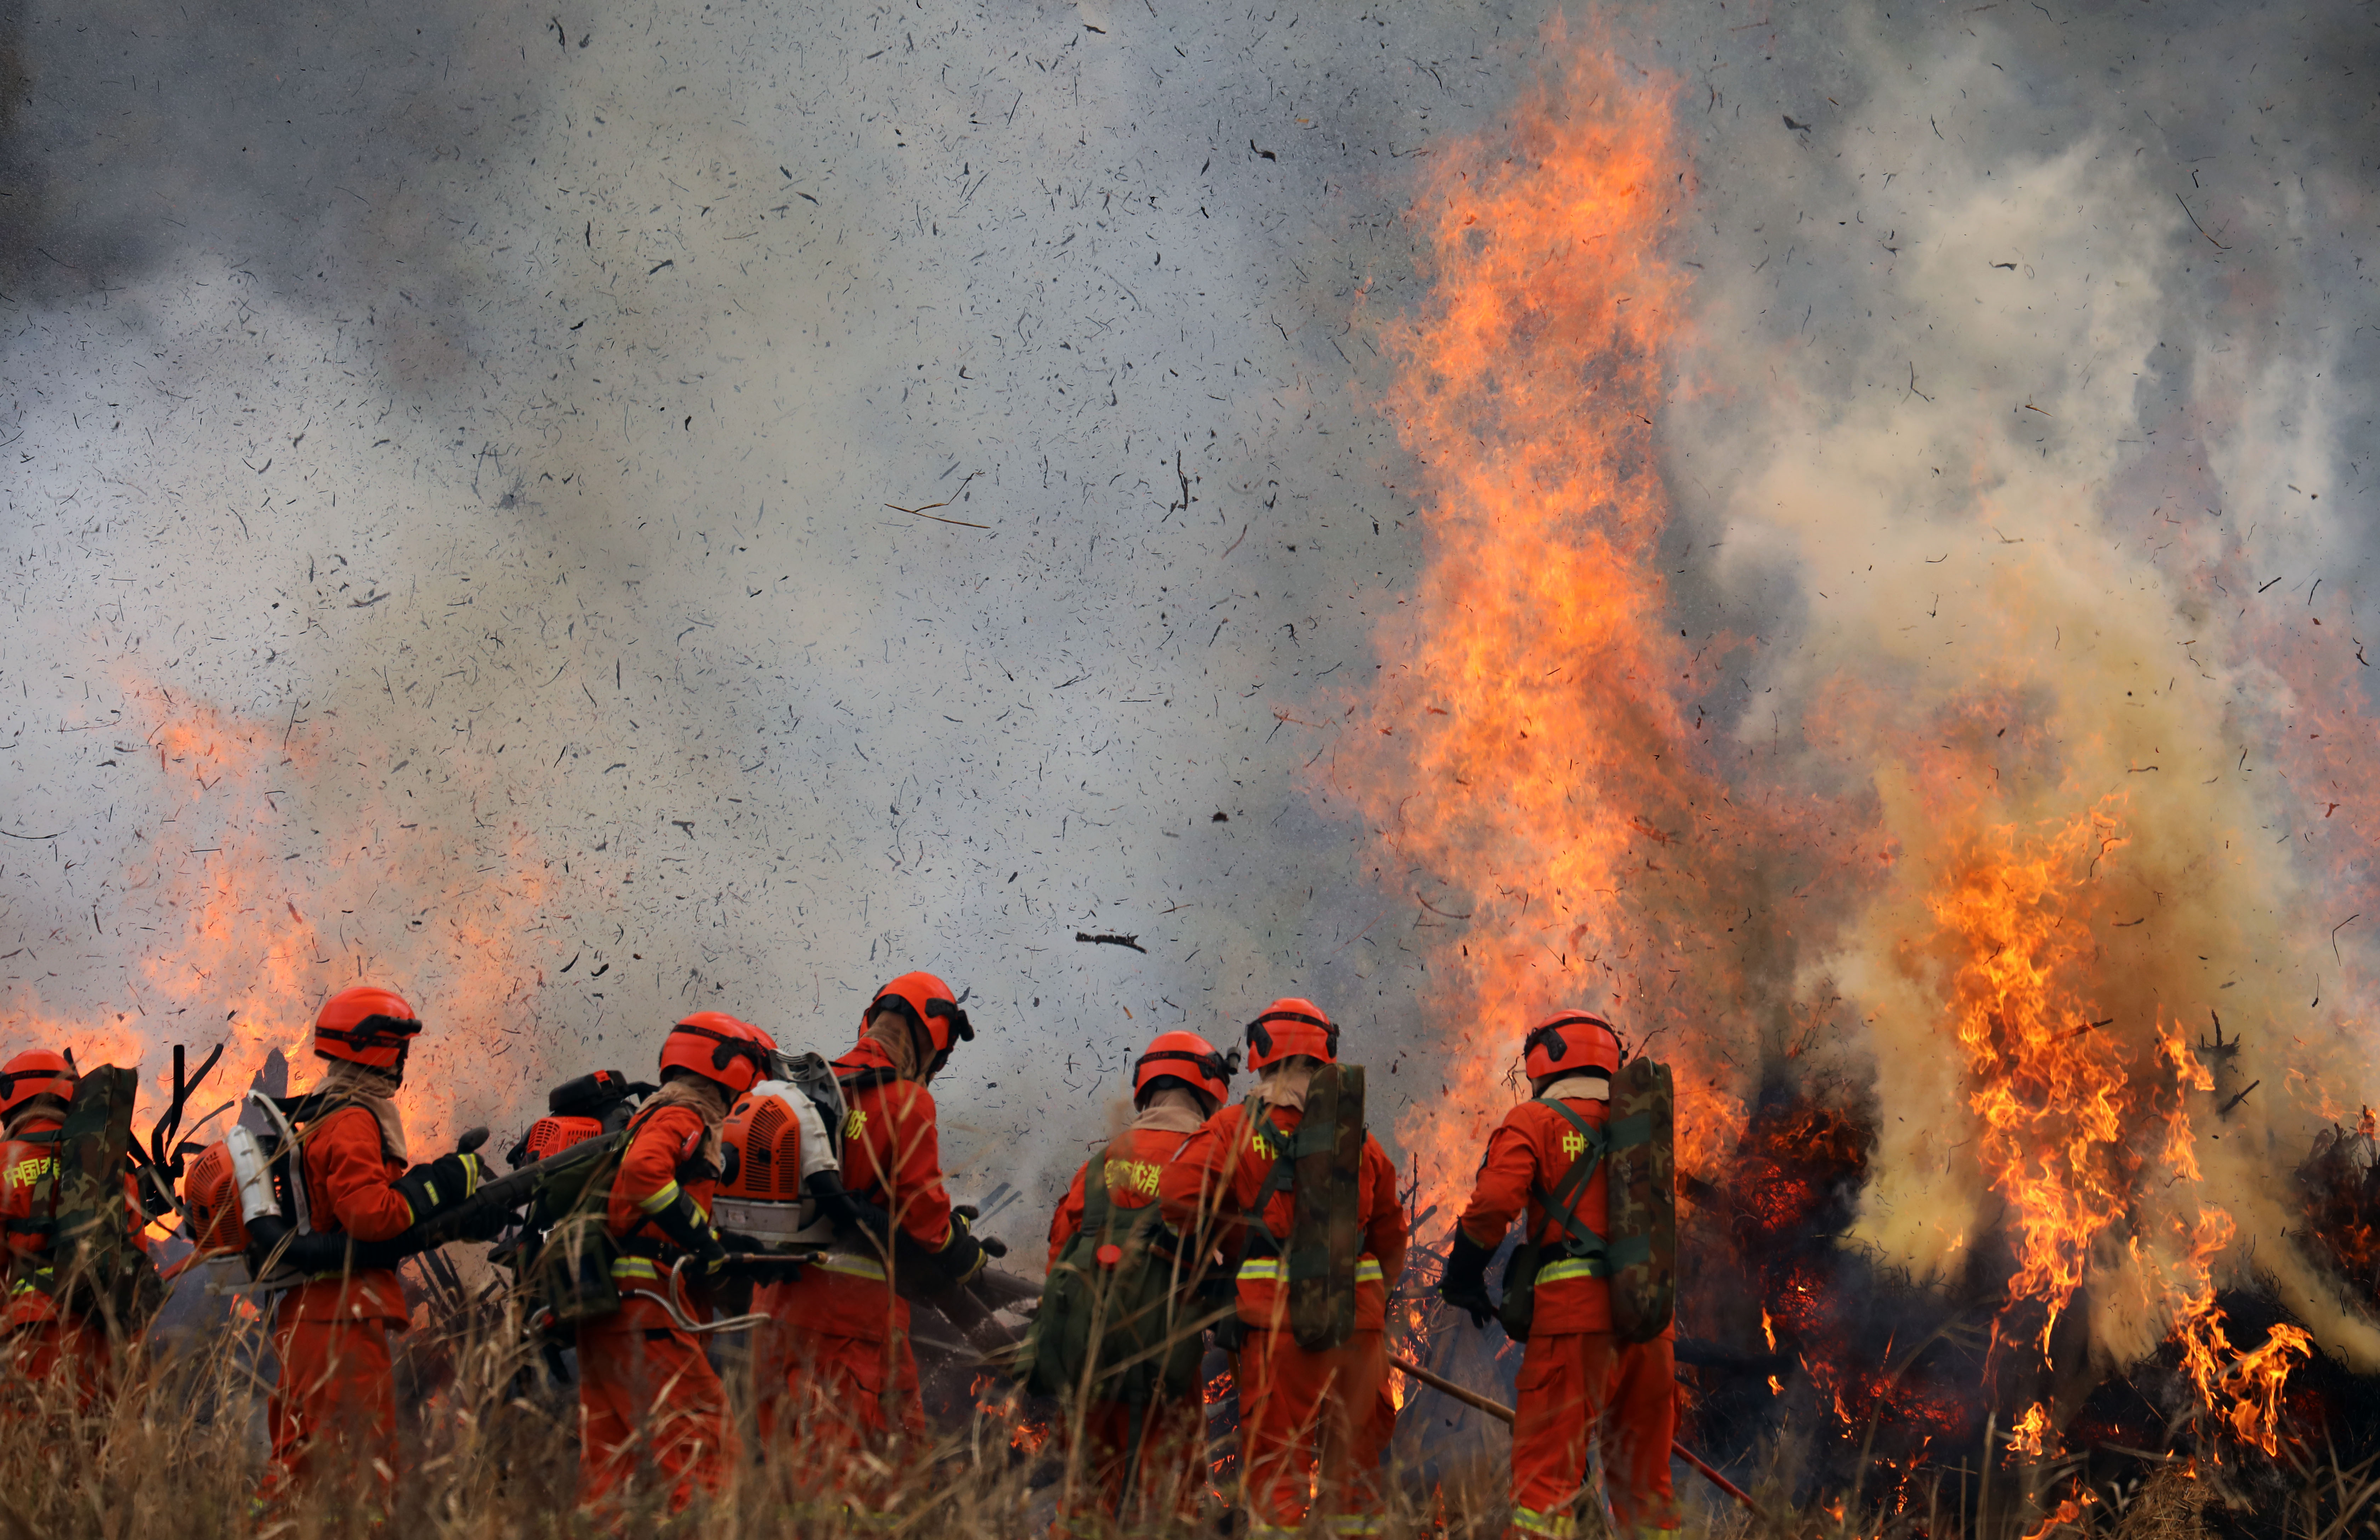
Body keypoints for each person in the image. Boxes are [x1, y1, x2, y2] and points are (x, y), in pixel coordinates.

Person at [1159, 998, 1406, 1539]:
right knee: (1356, 1486)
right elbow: (1392, 1237)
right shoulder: (1360, 1142)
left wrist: (1229, 1238)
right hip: (1357, 1333)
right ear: (1327, 1057)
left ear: (1260, 1056)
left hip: (1277, 1334)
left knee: (1279, 1486)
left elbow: (1176, 1199)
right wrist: (1366, 1304)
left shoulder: (1233, 1128)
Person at [1438, 1009, 1677, 1539]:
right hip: (1651, 1326)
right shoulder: (1641, 1128)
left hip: (1574, 1327)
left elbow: (1495, 1202)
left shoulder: (1535, 1121)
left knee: (1544, 1494)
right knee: (1648, 1498)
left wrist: (1463, 1275)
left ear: (1545, 1060)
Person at [755, 972, 994, 1484]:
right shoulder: (908, 1101)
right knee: (853, 1486)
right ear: (933, 1040)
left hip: (776, 1315)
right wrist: (965, 1253)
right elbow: (926, 1222)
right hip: (850, 1329)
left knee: (806, 1476)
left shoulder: (804, 1089)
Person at [265, 984, 483, 1503]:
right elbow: (369, 1216)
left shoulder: (321, 1113)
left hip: (312, 1315)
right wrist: (436, 1183)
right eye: (400, 1047)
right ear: (378, 1048)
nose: (403, 1060)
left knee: (302, 1465)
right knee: (361, 1468)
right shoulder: (354, 1118)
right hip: (342, 1316)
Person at [574, 1012, 768, 1512]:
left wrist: (722, 1247)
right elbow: (645, 1176)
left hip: (610, 1316)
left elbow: (661, 1210)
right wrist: (705, 1245)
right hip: (646, 1312)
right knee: (709, 1452)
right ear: (728, 1068)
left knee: (610, 1477)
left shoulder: (650, 1114)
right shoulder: (687, 1114)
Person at [1044, 1030, 1238, 1529]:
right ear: (1211, 1090)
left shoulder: (1099, 1164)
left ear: (1145, 1090)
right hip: (1164, 1367)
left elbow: (1057, 1264)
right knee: (1169, 1505)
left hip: (1087, 1363)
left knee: (1085, 1501)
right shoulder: (1210, 1157)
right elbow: (1243, 1256)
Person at [0, 1048, 143, 1411]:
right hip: (107, 1347)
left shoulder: (5, 1163)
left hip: (31, 1342)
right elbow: (135, 1266)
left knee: (36, 1462)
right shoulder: (111, 1165)